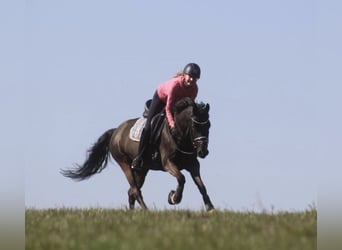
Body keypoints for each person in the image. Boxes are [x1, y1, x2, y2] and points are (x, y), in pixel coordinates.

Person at [131, 63, 201, 171]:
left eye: (195, 79)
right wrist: (172, 125)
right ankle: (139, 158)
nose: (191, 80)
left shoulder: (194, 89)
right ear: (184, 75)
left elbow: (187, 108)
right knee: (149, 127)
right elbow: (168, 108)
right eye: (190, 76)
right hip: (161, 99)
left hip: (177, 104)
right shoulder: (175, 85)